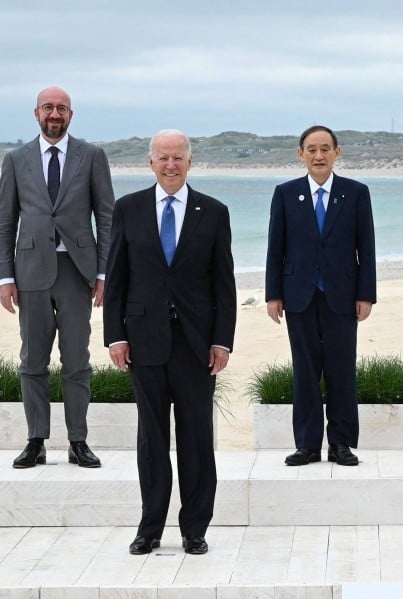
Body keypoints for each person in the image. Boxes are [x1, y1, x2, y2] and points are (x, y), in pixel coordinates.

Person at [104, 130, 236, 556]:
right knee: (151, 438)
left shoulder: (213, 212)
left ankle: (195, 528)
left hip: (197, 345)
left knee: (197, 438)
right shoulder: (128, 209)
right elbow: (117, 277)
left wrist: (222, 341)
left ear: (190, 162)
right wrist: (116, 335)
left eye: (178, 157)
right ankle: (150, 528)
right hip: (144, 342)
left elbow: (224, 286)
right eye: (163, 157)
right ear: (151, 163)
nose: (171, 165)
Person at [0, 86, 114, 469]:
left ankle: (78, 441)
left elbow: (107, 216)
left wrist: (103, 272)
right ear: (36, 113)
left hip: (77, 273)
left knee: (77, 359)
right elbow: (5, 222)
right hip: (30, 272)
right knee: (32, 359)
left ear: (71, 114)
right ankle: (36, 440)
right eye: (48, 107)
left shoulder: (92, 156)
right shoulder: (16, 159)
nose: (55, 114)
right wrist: (4, 277)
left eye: (61, 108)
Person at [265, 125, 376, 467]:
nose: (318, 155)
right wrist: (273, 294)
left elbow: (366, 247)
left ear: (336, 153)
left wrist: (366, 295)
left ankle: (341, 443)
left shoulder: (356, 193)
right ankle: (307, 445)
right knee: (305, 371)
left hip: (342, 296)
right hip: (298, 295)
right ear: (300, 154)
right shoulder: (285, 194)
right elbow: (275, 247)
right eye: (311, 149)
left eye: (325, 148)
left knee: (342, 370)